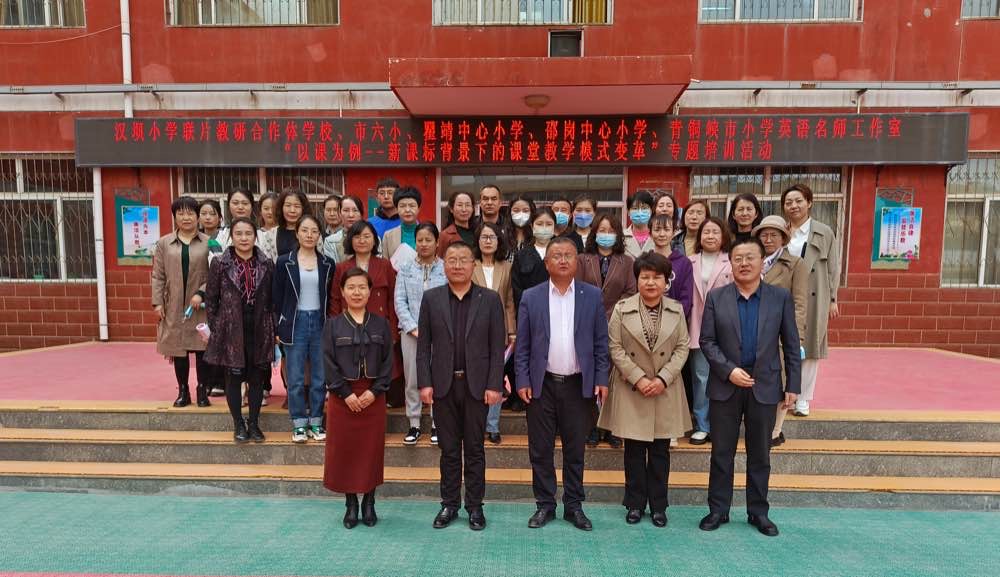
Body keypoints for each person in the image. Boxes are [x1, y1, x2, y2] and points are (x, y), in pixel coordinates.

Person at [697, 238, 801, 537]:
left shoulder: (779, 297)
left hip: (765, 385)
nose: (744, 263)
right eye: (738, 258)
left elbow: (791, 343)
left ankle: (758, 512)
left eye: (750, 257)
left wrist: (793, 385)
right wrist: (729, 371)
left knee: (760, 454)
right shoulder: (717, 297)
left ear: (762, 262)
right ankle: (718, 509)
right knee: (721, 453)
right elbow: (707, 341)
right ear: (731, 263)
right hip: (726, 384)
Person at [515, 237, 610, 532]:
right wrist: (522, 379)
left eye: (569, 255)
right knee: (540, 450)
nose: (563, 260)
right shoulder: (531, 296)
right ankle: (545, 504)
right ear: (547, 263)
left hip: (578, 385)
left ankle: (574, 505)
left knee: (575, 449)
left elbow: (601, 342)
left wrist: (601, 378)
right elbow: (523, 345)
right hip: (541, 384)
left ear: (577, 261)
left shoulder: (591, 295)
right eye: (557, 255)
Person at [418, 241, 507, 531]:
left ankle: (475, 506)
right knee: (449, 450)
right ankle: (449, 504)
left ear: (473, 265)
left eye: (463, 260)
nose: (457, 265)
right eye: (452, 260)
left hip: (477, 386)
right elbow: (423, 347)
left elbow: (497, 347)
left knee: (475, 449)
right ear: (444, 265)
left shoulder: (490, 299)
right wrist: (425, 382)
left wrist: (495, 384)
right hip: (443, 386)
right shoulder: (431, 299)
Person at [598, 252, 691, 527]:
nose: (651, 282)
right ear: (637, 280)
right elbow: (614, 346)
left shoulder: (676, 309)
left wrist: (662, 378)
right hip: (632, 388)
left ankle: (659, 506)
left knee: (661, 452)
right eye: (645, 277)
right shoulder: (622, 308)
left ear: (666, 281)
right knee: (634, 452)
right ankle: (635, 504)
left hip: (665, 389)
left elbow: (682, 347)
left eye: (657, 277)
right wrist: (638, 378)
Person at [322, 267, 395, 529]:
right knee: (346, 451)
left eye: (362, 287)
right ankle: (351, 503)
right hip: (342, 399)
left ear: (370, 291)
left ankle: (370, 502)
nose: (356, 292)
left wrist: (374, 392)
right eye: (351, 287)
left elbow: (388, 363)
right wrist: (345, 394)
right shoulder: (332, 325)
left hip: (373, 398)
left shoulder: (381, 324)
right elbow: (328, 363)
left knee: (371, 452)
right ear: (342, 292)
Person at [204, 217, 275, 443]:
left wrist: (272, 327)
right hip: (231, 327)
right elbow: (211, 299)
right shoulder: (220, 263)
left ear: (255, 236)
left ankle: (253, 423)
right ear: (231, 237)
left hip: (259, 325)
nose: (244, 238)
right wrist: (216, 329)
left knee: (257, 377)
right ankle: (238, 423)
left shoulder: (266, 263)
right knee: (233, 377)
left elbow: (272, 299)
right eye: (239, 234)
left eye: (248, 233)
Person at [575, 213, 636, 449]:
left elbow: (631, 291)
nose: (606, 235)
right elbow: (577, 288)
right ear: (594, 233)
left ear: (618, 234)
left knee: (612, 377)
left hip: (617, 325)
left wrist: (611, 314)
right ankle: (592, 426)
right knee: (589, 375)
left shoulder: (627, 262)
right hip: (586, 324)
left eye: (611, 231)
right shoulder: (583, 259)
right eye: (602, 230)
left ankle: (611, 427)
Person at [272, 215, 335, 443]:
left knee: (319, 377)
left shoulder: (327, 263)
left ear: (320, 235)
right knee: (296, 377)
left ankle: (316, 421)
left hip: (319, 321)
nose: (309, 235)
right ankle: (299, 423)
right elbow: (276, 297)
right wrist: (278, 326)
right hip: (294, 322)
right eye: (305, 230)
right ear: (297, 233)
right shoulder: (284, 262)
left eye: (314, 231)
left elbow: (331, 297)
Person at [329, 221, 401, 408]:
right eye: (357, 236)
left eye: (367, 236)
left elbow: (393, 299)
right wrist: (335, 327)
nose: (362, 240)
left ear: (375, 240)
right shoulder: (342, 267)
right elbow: (335, 299)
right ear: (350, 240)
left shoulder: (385, 265)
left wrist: (393, 330)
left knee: (380, 366)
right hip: (349, 327)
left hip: (379, 326)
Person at [782, 184, 840, 417]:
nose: (793, 206)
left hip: (815, 295)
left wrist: (833, 299)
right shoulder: (781, 231)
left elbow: (833, 267)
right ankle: (787, 393)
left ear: (809, 203)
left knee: (810, 346)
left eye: (798, 201)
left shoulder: (824, 232)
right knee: (783, 344)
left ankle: (803, 398)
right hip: (786, 294)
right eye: (788, 202)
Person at [753, 215, 808, 447]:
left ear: (783, 238)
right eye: (764, 235)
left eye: (773, 235)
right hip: (753, 330)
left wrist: (797, 336)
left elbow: (800, 302)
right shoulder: (754, 261)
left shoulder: (795, 264)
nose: (768, 239)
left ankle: (775, 430)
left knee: (782, 380)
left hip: (780, 331)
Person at [152, 196, 212, 408]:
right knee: (178, 349)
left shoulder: (210, 242)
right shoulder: (164, 243)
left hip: (200, 306)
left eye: (190, 213)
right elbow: (158, 275)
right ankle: (183, 391)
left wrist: (202, 293)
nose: (186, 217)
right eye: (181, 213)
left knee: (202, 348)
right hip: (174, 304)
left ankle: (202, 390)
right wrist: (158, 303)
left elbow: (217, 273)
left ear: (197, 217)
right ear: (175, 217)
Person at [394, 222, 447, 445]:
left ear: (437, 242)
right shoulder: (405, 268)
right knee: (413, 378)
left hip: (441, 334)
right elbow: (400, 301)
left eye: (428, 240)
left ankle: (437, 423)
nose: (424, 244)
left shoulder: (445, 268)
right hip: (411, 333)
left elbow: (449, 300)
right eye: (420, 240)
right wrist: (412, 327)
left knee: (439, 377)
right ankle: (414, 423)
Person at [688, 216, 733, 445]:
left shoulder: (731, 261)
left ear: (723, 236)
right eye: (706, 232)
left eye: (715, 232)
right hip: (697, 326)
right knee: (701, 378)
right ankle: (702, 425)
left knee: (725, 377)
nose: (711, 236)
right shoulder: (690, 261)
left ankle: (722, 425)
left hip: (725, 329)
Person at [472, 222, 516, 444]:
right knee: (476, 378)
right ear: (477, 241)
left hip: (499, 330)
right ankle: (476, 424)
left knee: (496, 378)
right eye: (484, 237)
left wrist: (512, 331)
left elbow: (509, 301)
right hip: (473, 330)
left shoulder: (506, 267)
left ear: (499, 241)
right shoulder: (470, 265)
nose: (488, 241)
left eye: (492, 237)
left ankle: (493, 426)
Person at [511, 207, 556, 311]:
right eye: (539, 224)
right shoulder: (521, 256)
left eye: (549, 224)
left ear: (554, 227)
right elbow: (516, 289)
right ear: (532, 226)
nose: (544, 228)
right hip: (529, 310)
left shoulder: (561, 253)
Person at [650, 214, 693, 319]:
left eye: (666, 229)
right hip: (647, 321)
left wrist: (673, 319)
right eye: (657, 230)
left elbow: (686, 299)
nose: (662, 234)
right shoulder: (644, 262)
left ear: (673, 233)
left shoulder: (684, 263)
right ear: (650, 233)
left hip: (675, 321)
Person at [260, 187, 311, 262]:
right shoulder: (270, 236)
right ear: (281, 207)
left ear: (303, 209)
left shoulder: (313, 233)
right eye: (288, 205)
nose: (292, 210)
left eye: (297, 206)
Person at [381, 186, 421, 265]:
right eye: (402, 206)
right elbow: (385, 265)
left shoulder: (429, 233)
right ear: (396, 209)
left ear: (418, 209)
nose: (407, 210)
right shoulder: (388, 236)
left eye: (412, 206)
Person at [323, 195, 365, 264]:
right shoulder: (330, 241)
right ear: (339, 213)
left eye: (355, 210)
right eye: (346, 210)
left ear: (361, 214)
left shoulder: (373, 239)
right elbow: (332, 268)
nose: (351, 215)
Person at [437, 191, 476, 256]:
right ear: (451, 209)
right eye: (460, 205)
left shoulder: (479, 232)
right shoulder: (444, 235)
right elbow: (440, 259)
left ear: (472, 209)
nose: (464, 209)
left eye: (467, 205)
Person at [623, 191, 655, 258]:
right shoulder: (621, 236)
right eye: (635, 208)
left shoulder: (658, 236)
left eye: (644, 208)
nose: (640, 212)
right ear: (628, 212)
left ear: (651, 211)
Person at [505, 194, 536, 261]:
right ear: (510, 212)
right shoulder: (502, 236)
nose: (521, 214)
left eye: (525, 210)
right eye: (516, 210)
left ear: (531, 212)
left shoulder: (536, 237)